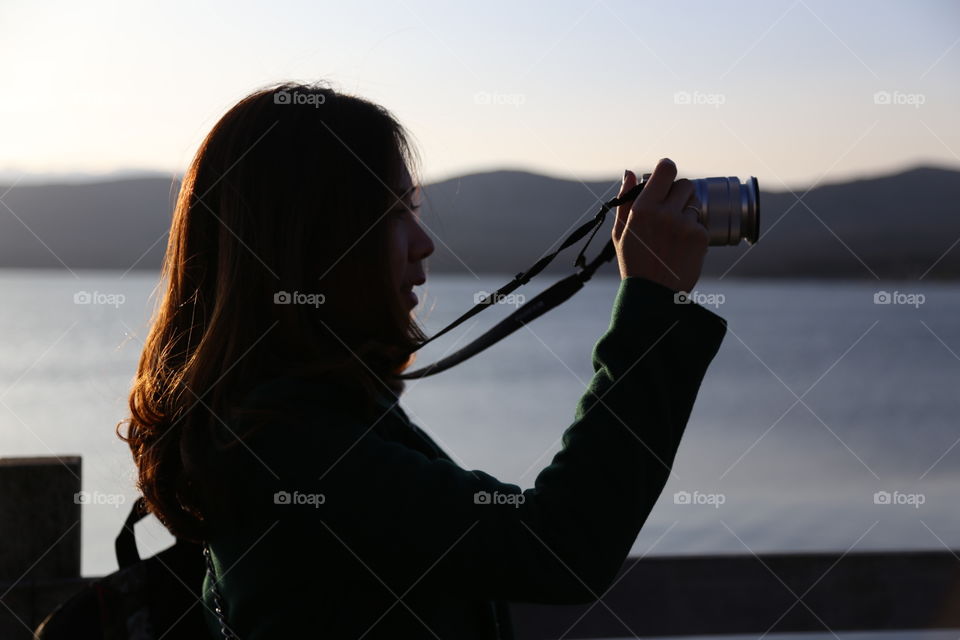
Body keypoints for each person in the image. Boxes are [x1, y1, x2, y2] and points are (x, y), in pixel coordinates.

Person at [119, 82, 727, 640]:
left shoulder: (275, 421)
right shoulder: (291, 450)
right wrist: (652, 307)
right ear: (314, 241)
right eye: (394, 214)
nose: (424, 242)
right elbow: (561, 545)